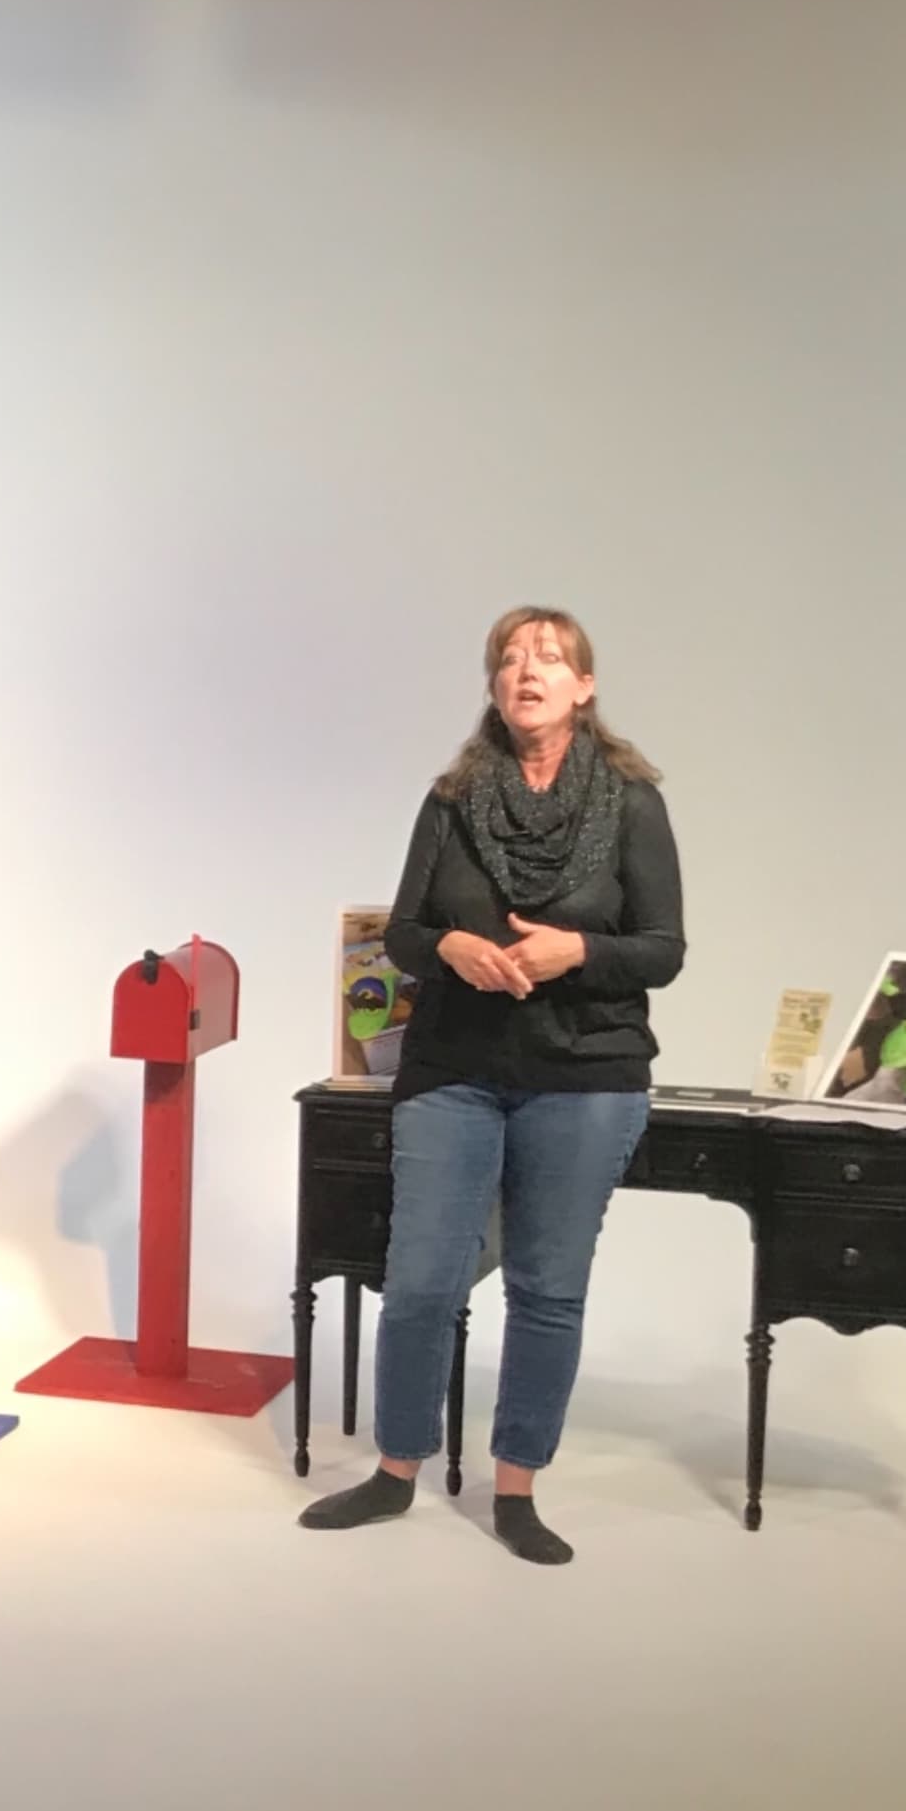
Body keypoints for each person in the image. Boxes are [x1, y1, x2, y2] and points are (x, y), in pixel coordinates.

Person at [298, 606, 684, 1567]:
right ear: (493, 685)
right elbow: (404, 935)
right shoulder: (453, 797)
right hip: (455, 1072)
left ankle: (517, 1489)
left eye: (549, 658)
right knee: (421, 1280)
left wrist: (576, 950)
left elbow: (663, 951)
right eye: (510, 659)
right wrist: (456, 948)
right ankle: (394, 1474)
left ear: (584, 687)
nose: (528, 670)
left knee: (547, 1289)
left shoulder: (633, 800)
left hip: (586, 1075)